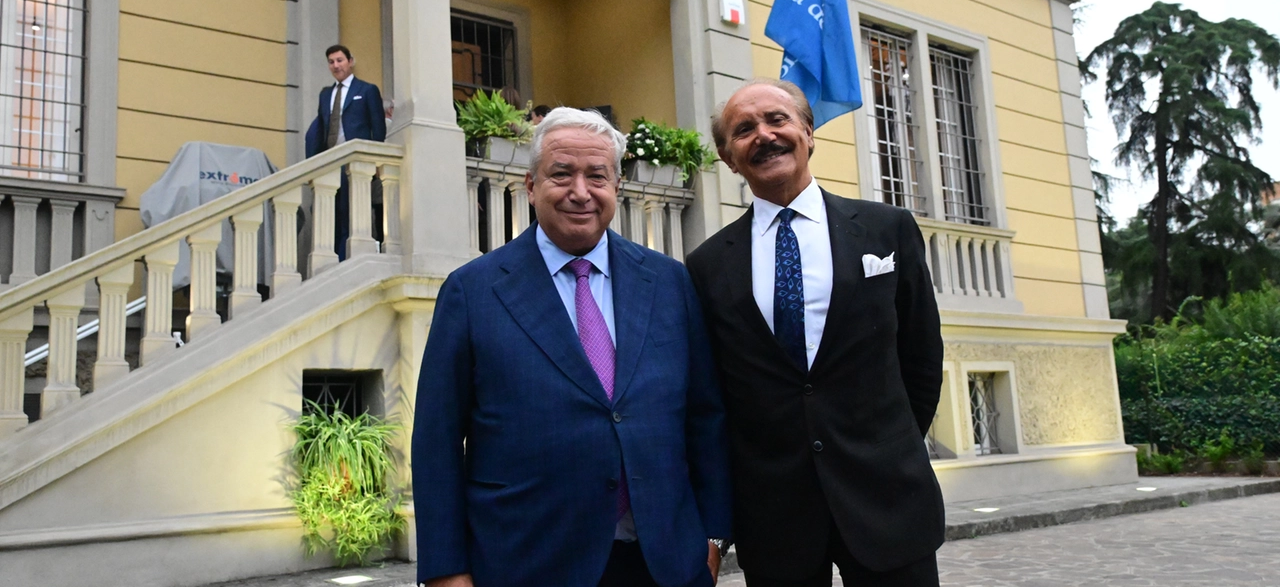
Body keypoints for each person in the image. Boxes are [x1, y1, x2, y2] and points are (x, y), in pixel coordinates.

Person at [413, 108, 733, 587]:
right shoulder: (472, 291)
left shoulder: (669, 281)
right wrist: (446, 570)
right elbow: (437, 441)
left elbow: (705, 417)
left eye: (596, 176)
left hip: (664, 563)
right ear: (530, 185)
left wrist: (712, 537)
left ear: (617, 187)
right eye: (561, 174)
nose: (580, 192)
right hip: (527, 560)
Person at [686, 78, 945, 587]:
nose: (764, 135)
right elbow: (714, 393)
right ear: (727, 156)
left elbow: (921, 354)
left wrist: (888, 446)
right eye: (744, 130)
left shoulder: (885, 229)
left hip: (887, 498)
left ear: (808, 131)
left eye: (777, 120)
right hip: (775, 514)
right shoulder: (707, 266)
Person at [304, 45, 386, 259]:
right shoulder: (325, 94)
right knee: (326, 212)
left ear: (350, 61)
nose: (336, 65)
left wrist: (377, 162)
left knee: (349, 213)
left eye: (340, 60)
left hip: (355, 163)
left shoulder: (367, 90)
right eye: (331, 62)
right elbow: (321, 128)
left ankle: (345, 257)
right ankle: (330, 257)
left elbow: (378, 128)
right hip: (330, 161)